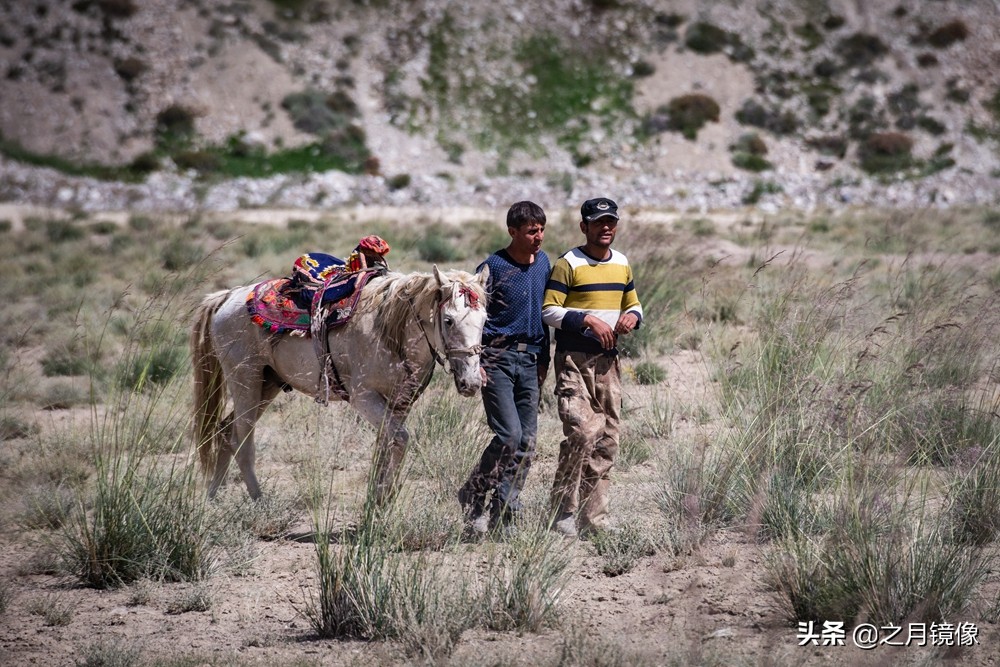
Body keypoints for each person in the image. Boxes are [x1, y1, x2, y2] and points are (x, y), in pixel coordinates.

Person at [542, 197, 643, 538]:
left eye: (611, 222)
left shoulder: (622, 263)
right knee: (582, 432)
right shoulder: (568, 263)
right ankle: (561, 511)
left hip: (609, 364)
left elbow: (633, 302)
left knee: (607, 441)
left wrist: (633, 317)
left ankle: (594, 520)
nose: (606, 228)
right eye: (598, 222)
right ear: (583, 226)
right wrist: (586, 319)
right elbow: (549, 311)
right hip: (574, 360)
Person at [458, 200, 551, 535]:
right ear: (513, 232)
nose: (538, 236)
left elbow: (545, 316)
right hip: (497, 358)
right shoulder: (492, 267)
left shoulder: (544, 264)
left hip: (531, 358)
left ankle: (505, 509)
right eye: (531, 231)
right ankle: (473, 492)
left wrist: (544, 360)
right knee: (509, 434)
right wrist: (476, 362)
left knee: (527, 440)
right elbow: (473, 318)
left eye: (541, 229)